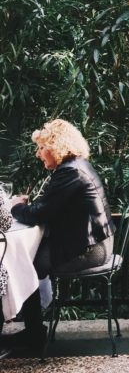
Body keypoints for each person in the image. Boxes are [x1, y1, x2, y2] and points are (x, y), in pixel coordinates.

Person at [3, 119, 115, 355]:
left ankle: (34, 335)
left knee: (25, 266)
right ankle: (33, 331)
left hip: (91, 250)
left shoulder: (70, 172)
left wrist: (13, 207)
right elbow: (47, 208)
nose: (38, 154)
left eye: (41, 147)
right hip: (96, 243)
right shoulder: (75, 166)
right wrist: (29, 207)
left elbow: (37, 214)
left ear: (56, 146)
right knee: (27, 261)